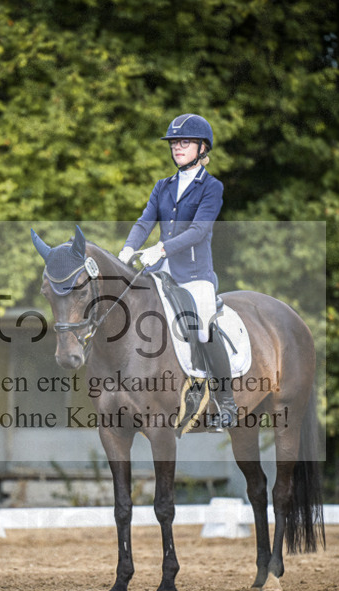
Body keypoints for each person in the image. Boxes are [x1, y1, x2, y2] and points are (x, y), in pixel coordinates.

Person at [118, 113, 238, 429]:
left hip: (195, 275)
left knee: (204, 326)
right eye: (174, 143)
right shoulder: (163, 186)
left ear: (202, 147)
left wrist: (161, 249)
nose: (177, 147)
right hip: (160, 272)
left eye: (184, 142)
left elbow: (198, 231)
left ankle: (226, 402)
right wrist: (128, 249)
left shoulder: (211, 187)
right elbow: (145, 221)